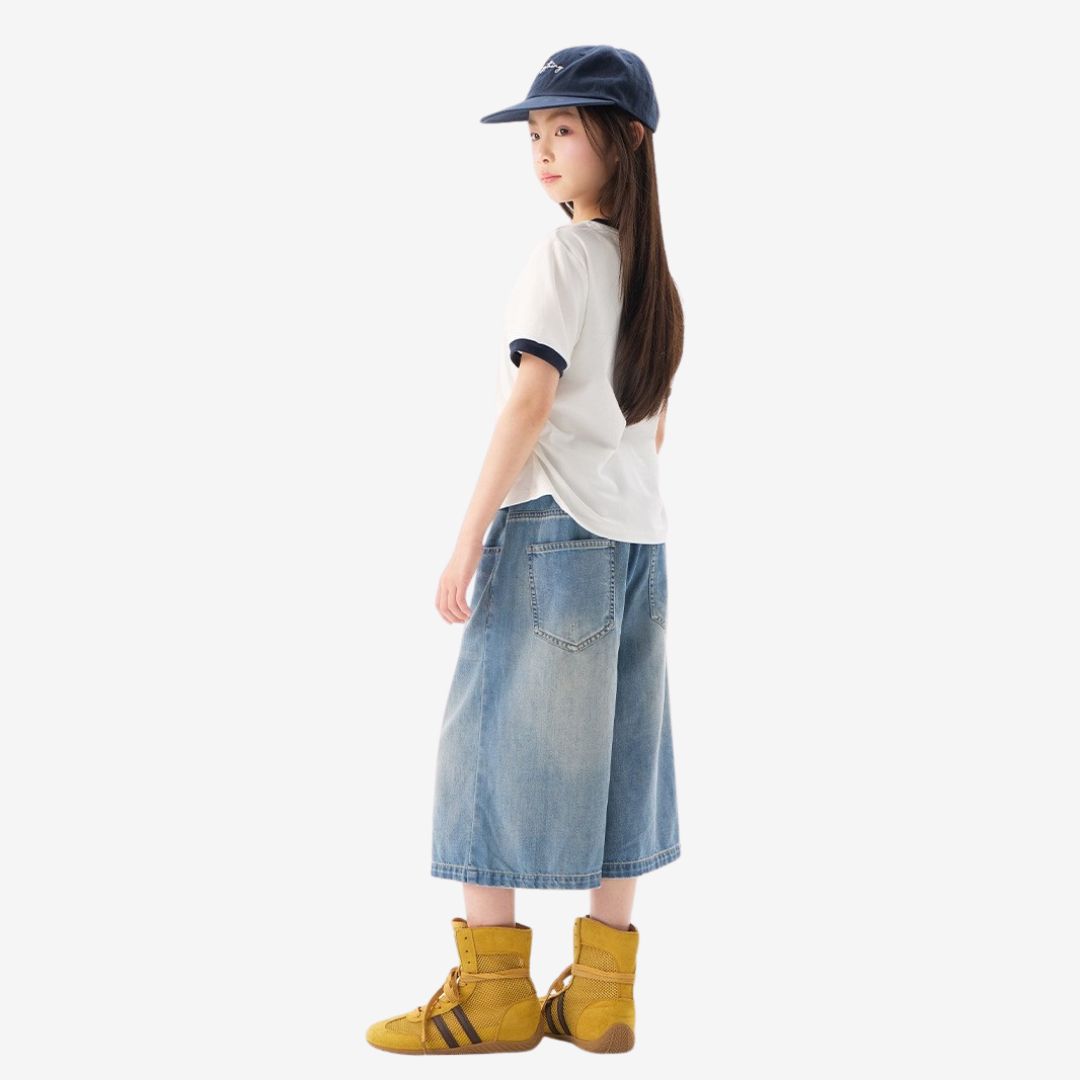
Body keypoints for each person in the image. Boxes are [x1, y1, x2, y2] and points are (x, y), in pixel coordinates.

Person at [366, 44, 684, 1056]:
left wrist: (467, 540)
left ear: (625, 140)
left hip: (551, 533)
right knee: (624, 754)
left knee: (486, 744)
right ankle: (601, 995)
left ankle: (495, 995)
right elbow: (654, 427)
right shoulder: (653, 277)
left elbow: (530, 400)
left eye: (564, 129)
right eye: (535, 133)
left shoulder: (566, 256)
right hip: (638, 539)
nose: (542, 149)